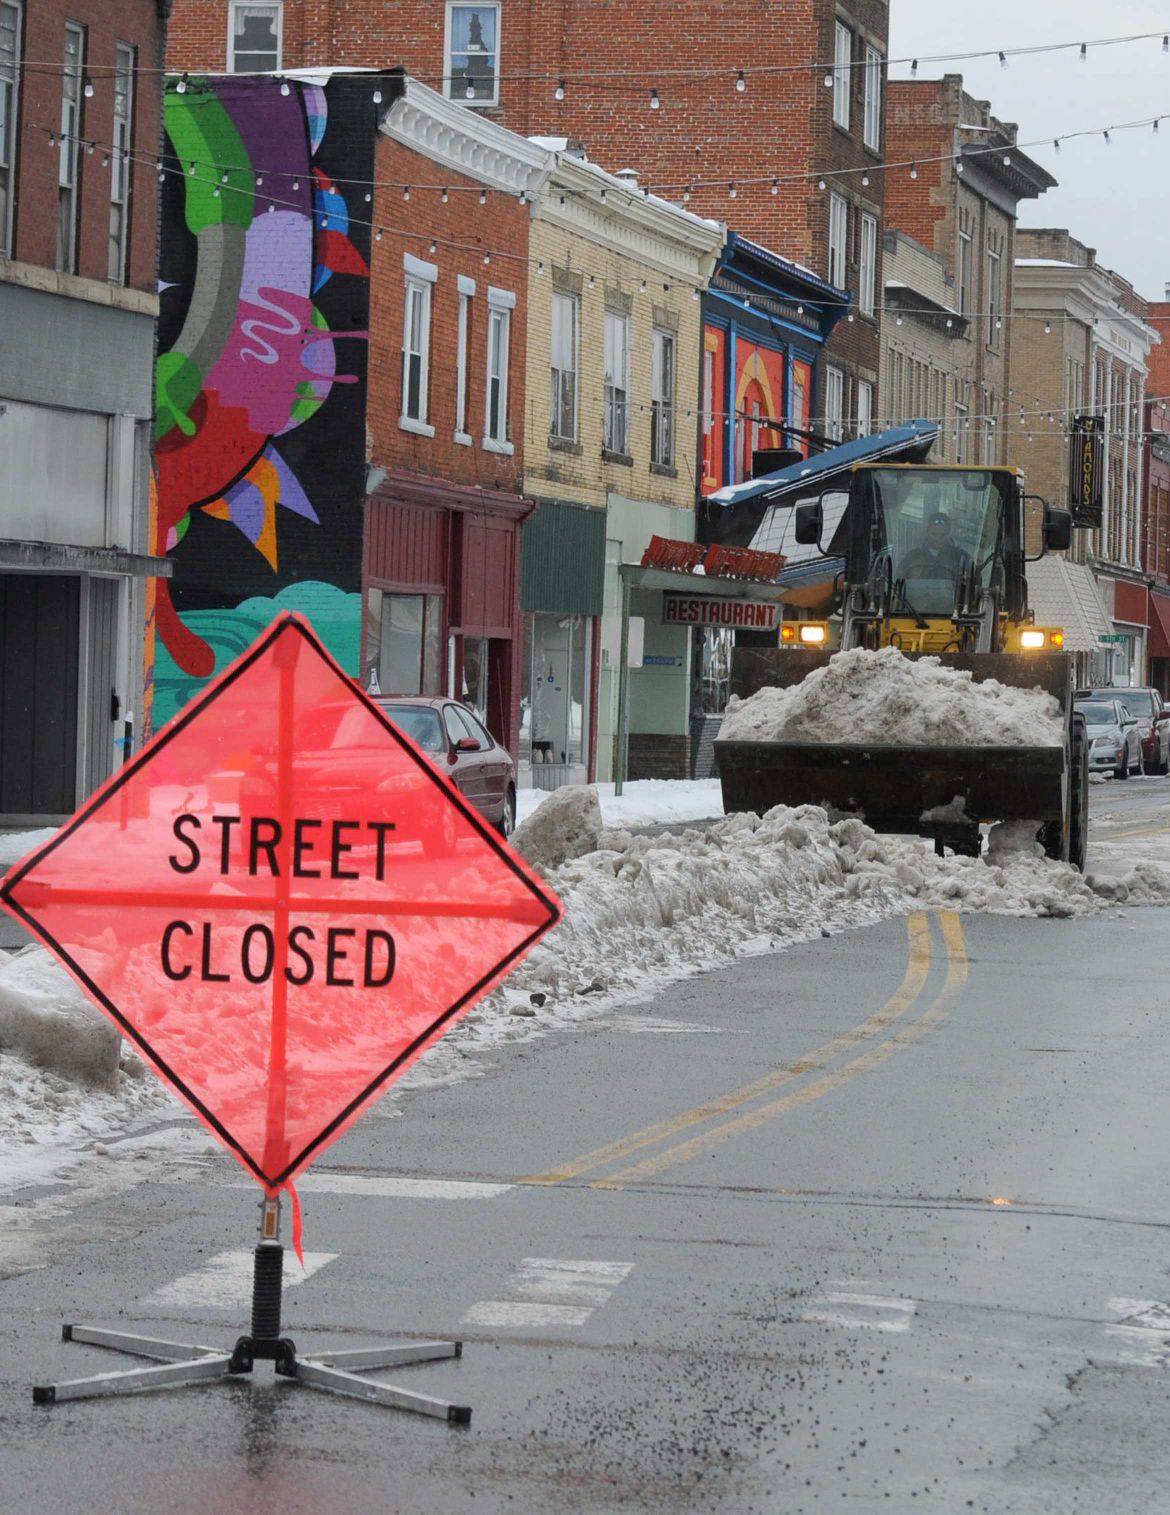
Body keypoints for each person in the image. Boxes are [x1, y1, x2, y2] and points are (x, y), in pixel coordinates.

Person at [899, 512, 972, 583]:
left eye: (942, 535)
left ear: (949, 534)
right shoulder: (912, 557)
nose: (938, 539)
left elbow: (974, 580)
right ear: (927, 532)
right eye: (934, 534)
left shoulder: (960, 558)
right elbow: (898, 581)